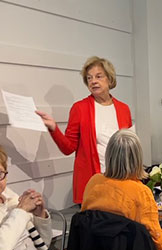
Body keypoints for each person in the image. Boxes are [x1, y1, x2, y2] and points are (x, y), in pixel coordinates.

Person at [36, 56, 132, 204]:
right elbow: (68, 148)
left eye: (99, 76)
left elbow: (129, 148)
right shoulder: (79, 108)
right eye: (89, 78)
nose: (93, 81)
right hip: (94, 183)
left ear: (110, 79)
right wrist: (54, 128)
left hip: (122, 181)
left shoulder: (123, 109)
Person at [0, 146, 52, 250]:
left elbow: (44, 244)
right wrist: (21, 211)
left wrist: (40, 216)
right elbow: (2, 249)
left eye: (0, 173)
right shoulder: (18, 208)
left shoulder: (11, 198)